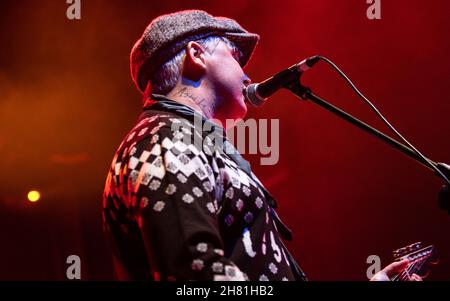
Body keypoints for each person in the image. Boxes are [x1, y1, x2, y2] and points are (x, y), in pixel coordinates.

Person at [102, 9, 421, 281]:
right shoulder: (165, 140)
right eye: (235, 56)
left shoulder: (193, 140)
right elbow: (195, 275)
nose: (246, 75)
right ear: (196, 55)